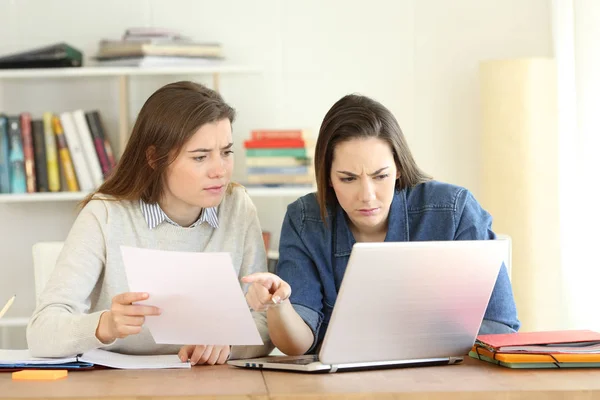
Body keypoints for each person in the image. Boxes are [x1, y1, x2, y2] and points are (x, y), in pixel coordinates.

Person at [243, 94, 520, 356]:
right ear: (327, 177)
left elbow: (500, 329)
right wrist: (277, 304)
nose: (367, 195)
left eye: (380, 176)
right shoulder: (305, 220)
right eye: (348, 179)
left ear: (398, 168)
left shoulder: (453, 210)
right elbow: (297, 345)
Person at [27, 81, 273, 364]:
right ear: (154, 158)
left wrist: (230, 344)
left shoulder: (238, 206)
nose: (220, 171)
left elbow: (265, 320)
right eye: (200, 157)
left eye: (226, 152)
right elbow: (41, 331)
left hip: (210, 380)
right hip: (116, 383)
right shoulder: (106, 214)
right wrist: (104, 325)